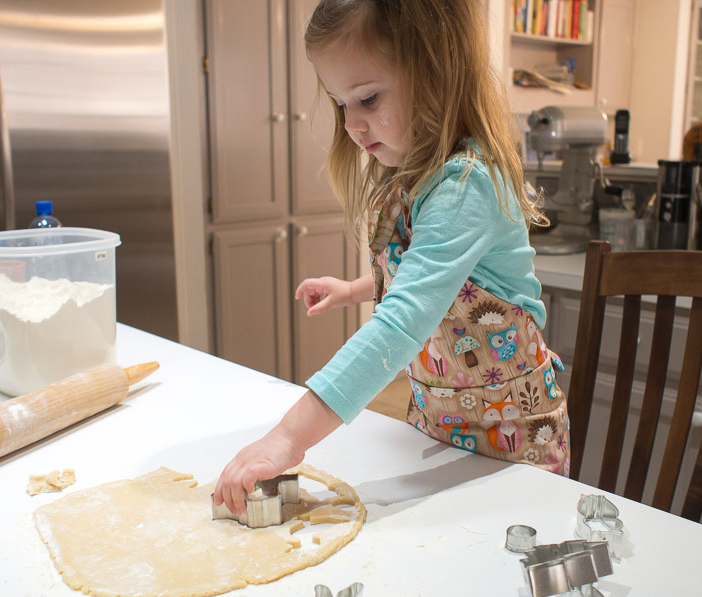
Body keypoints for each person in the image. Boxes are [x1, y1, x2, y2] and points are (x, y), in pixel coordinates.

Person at [214, 0, 568, 515]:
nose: (353, 124)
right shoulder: (414, 177)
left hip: (515, 438)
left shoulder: (468, 185)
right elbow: (429, 278)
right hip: (442, 429)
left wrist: (287, 438)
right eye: (340, 104)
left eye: (368, 98)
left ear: (437, 70)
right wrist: (357, 288)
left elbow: (405, 319)